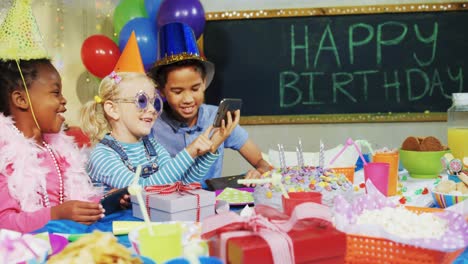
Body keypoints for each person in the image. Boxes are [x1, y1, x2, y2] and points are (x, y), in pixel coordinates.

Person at [0, 0, 108, 233]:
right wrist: (56, 214)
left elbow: (74, 202)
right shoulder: (4, 156)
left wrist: (103, 204)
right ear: (21, 100)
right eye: (55, 92)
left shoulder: (57, 149)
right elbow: (4, 222)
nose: (64, 100)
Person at [82, 32, 239, 189]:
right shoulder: (102, 156)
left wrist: (212, 145)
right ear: (113, 109)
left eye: (155, 103)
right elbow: (143, 189)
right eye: (142, 101)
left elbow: (181, 183)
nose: (152, 110)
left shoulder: (152, 147)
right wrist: (189, 152)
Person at [148, 22, 271, 188]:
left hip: (212, 208)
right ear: (162, 91)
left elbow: (261, 162)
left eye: (195, 88)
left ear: (204, 83)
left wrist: (260, 172)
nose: (188, 99)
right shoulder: (152, 127)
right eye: (177, 91)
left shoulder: (218, 118)